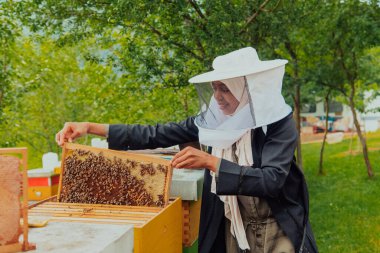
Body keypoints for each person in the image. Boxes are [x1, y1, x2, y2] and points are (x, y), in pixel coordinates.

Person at [56, 47, 318, 253]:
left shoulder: (278, 125)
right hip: (232, 228)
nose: (217, 96)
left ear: (246, 89)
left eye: (225, 88)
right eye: (215, 88)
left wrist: (212, 162)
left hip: (276, 229)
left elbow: (271, 180)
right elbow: (156, 133)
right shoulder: (213, 122)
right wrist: (91, 127)